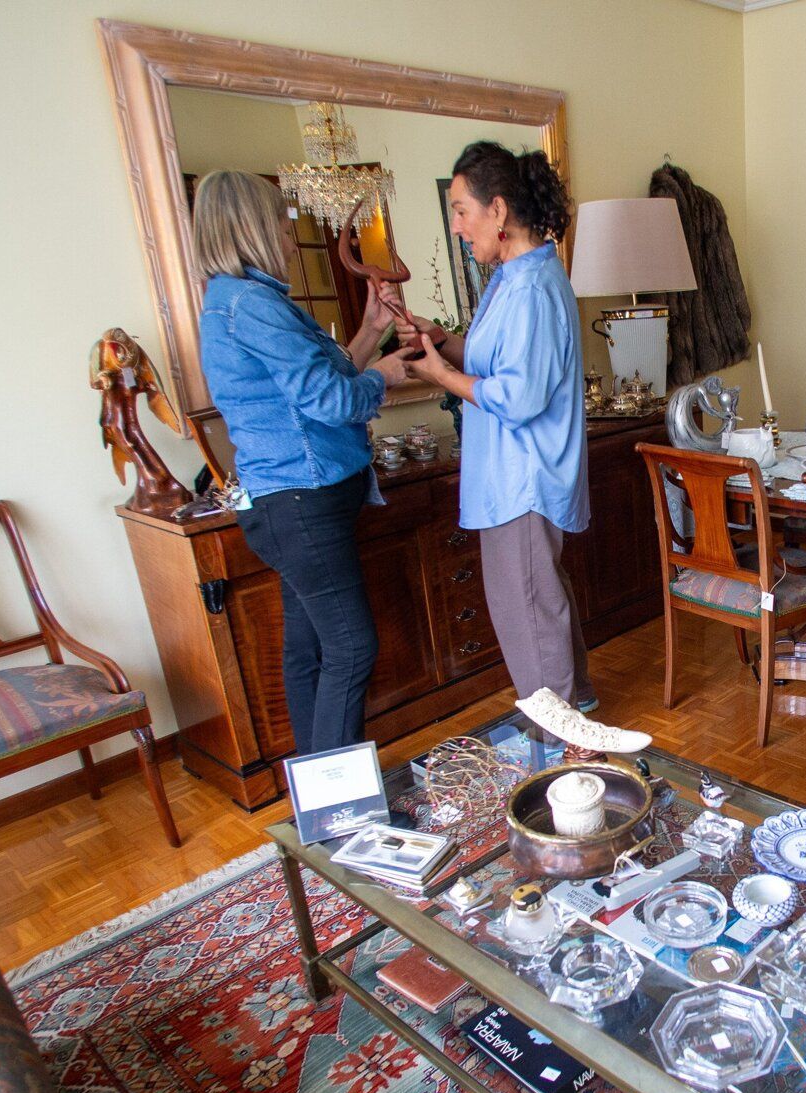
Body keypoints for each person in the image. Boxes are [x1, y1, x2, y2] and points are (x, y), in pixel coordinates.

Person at [193, 170, 413, 752]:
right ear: (253, 228)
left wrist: (370, 331)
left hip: (290, 503)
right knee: (351, 648)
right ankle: (341, 797)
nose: (291, 240)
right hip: (301, 503)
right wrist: (384, 376)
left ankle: (318, 790)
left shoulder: (239, 300)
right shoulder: (251, 305)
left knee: (309, 651)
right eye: (282, 224)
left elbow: (316, 381)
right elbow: (330, 401)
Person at [399, 142, 596, 710]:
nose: (457, 226)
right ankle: (576, 714)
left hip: (522, 479)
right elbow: (498, 364)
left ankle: (562, 739)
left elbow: (519, 395)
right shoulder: (513, 279)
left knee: (528, 610)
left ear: (499, 210)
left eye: (461, 210)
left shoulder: (530, 288)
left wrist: (440, 376)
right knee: (538, 602)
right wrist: (442, 341)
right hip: (512, 476)